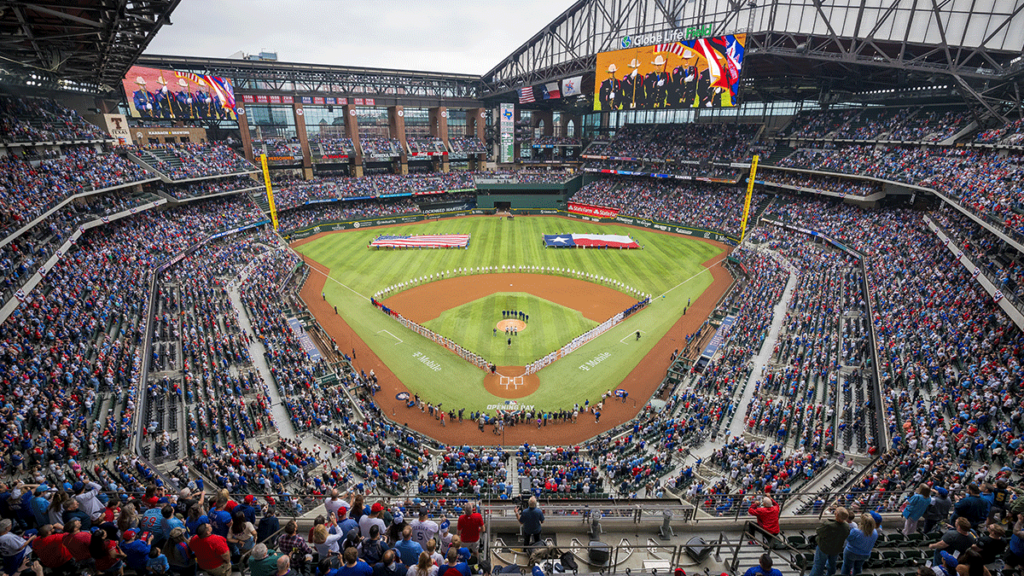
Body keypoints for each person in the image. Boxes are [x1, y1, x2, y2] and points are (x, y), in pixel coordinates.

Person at [808, 507, 850, 576]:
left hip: (824, 548)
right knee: (832, 565)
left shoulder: (829, 525)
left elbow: (819, 532)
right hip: (836, 548)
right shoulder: (846, 526)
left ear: (836, 515)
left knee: (819, 565)